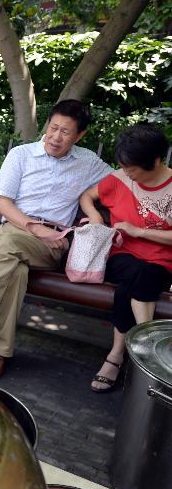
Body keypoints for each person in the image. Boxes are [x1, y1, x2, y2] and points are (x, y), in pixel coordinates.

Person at [0, 100, 111, 379]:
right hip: (18, 230)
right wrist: (36, 228)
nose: (56, 137)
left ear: (80, 136)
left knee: (6, 245)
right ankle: (0, 350)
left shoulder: (88, 163)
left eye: (66, 132)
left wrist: (91, 208)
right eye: (53, 127)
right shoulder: (21, 155)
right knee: (15, 267)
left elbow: (125, 181)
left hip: (52, 245)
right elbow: (4, 206)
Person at [79, 124, 172, 392]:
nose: (127, 173)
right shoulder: (120, 179)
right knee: (137, 274)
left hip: (160, 264)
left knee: (133, 284)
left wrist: (138, 231)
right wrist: (96, 215)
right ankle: (148, 351)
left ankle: (116, 356)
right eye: (124, 166)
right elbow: (87, 196)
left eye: (132, 168)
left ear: (155, 161)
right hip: (119, 257)